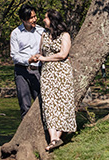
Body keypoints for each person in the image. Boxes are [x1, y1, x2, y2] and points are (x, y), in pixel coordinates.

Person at [30, 9, 77, 151]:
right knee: (49, 104)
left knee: (63, 102)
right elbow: (42, 52)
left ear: (53, 20)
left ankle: (59, 135)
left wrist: (46, 59)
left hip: (61, 73)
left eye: (46, 18)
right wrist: (36, 57)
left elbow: (63, 54)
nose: (44, 20)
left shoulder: (65, 35)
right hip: (47, 73)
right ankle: (53, 139)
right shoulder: (44, 35)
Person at [9, 4, 44, 117]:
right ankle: (26, 132)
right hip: (21, 71)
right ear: (23, 20)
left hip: (38, 70)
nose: (34, 19)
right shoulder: (16, 33)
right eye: (31, 18)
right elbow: (14, 55)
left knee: (42, 101)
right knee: (25, 105)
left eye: (35, 16)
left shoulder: (41, 31)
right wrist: (28, 60)